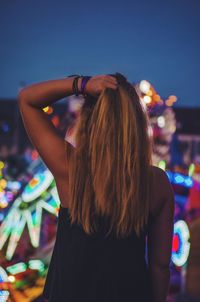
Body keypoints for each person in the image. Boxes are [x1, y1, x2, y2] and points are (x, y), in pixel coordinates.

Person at [18, 73, 175, 302]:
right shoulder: (157, 183)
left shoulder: (72, 169)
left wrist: (81, 84)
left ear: (90, 121)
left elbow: (27, 100)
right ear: (137, 122)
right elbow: (160, 266)